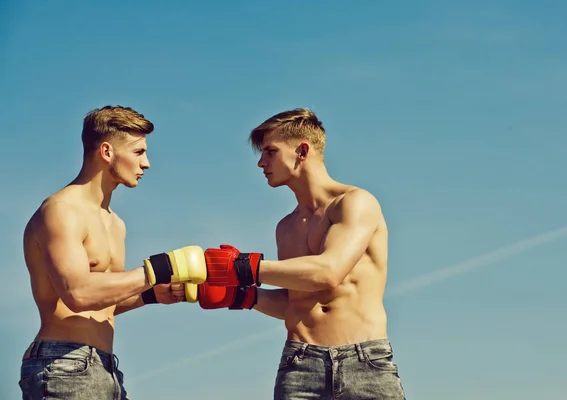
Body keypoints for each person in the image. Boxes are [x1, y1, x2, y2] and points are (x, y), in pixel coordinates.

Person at [191, 108, 406, 399]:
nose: (260, 162)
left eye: (270, 152)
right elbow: (297, 303)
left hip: (365, 364)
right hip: (300, 366)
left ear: (301, 151)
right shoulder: (286, 227)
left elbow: (328, 272)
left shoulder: (355, 203)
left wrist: (241, 267)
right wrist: (243, 296)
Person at [19, 105, 207, 400]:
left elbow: (104, 300)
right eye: (138, 152)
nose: (146, 163)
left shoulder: (115, 223)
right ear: (107, 152)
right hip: (64, 364)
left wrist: (152, 294)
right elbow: (78, 294)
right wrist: (156, 269)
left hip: (105, 366)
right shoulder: (61, 212)